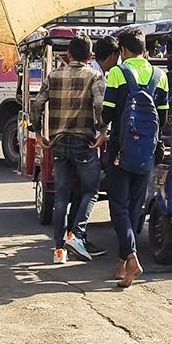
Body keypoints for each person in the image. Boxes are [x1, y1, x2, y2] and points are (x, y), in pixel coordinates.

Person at [102, 29, 168, 287]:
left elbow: (107, 115)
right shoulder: (160, 76)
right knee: (134, 207)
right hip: (147, 152)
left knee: (118, 206)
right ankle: (122, 264)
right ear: (144, 49)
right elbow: (162, 118)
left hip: (120, 150)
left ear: (123, 51)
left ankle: (131, 257)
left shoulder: (117, 72)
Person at [36, 34, 106, 264]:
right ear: (90, 56)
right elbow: (100, 104)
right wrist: (103, 131)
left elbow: (37, 104)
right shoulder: (94, 76)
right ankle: (76, 235)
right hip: (83, 142)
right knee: (90, 191)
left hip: (58, 143)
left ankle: (59, 251)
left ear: (68, 55)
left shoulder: (53, 75)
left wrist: (37, 132)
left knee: (61, 196)